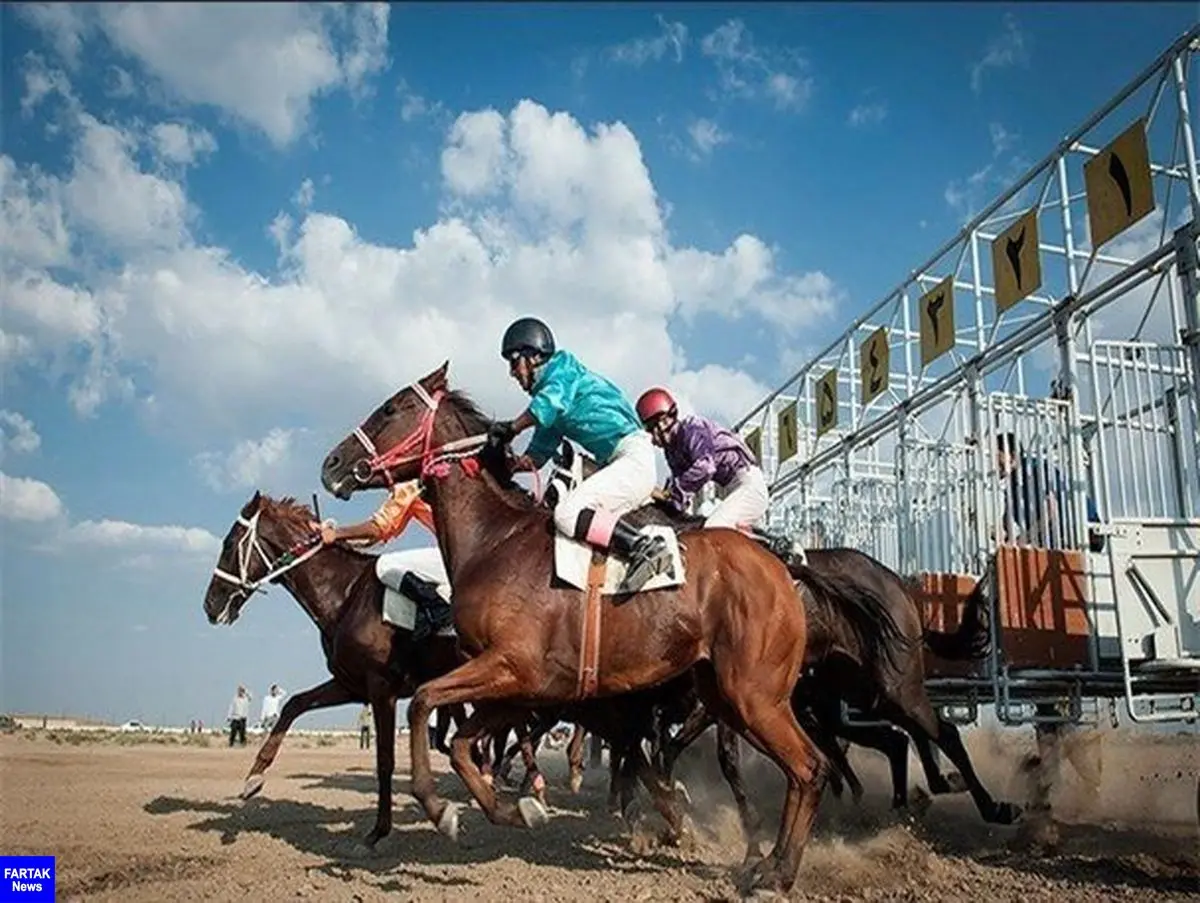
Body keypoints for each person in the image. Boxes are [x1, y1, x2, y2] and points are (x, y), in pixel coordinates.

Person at [488, 317, 674, 592]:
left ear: (533, 357)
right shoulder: (552, 406)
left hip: (632, 458)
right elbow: (536, 457)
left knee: (567, 513)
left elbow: (547, 405)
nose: (513, 373)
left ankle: (644, 548)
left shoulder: (562, 370)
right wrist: (506, 465)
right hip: (622, 462)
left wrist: (512, 429)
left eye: (514, 363)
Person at [636, 386, 800, 563]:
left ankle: (778, 545)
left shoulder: (692, 429)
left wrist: (671, 492)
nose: (654, 436)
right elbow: (680, 497)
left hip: (749, 481)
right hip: (732, 488)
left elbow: (705, 467)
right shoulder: (671, 453)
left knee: (714, 529)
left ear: (668, 418)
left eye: (656, 426)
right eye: (649, 430)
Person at [310, 478, 453, 647]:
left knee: (386, 565)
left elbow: (379, 526)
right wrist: (339, 537)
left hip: (456, 555)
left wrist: (338, 533)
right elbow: (378, 534)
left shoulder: (408, 486)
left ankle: (440, 611)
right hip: (465, 550)